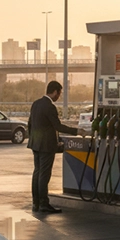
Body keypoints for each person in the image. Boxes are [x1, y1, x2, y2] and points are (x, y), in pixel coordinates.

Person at [27, 81, 86, 213]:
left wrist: (33, 139)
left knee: (37, 172)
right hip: (46, 146)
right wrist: (77, 131)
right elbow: (58, 126)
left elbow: (30, 124)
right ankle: (43, 204)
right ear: (54, 92)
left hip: (36, 144)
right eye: (59, 93)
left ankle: (35, 203)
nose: (59, 96)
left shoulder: (36, 104)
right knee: (44, 174)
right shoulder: (50, 107)